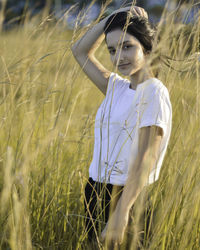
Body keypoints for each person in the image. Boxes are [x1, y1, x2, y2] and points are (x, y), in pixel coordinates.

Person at [71, 5, 172, 248]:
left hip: (126, 196)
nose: (119, 58)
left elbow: (146, 158)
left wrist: (121, 212)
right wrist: (114, 15)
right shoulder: (116, 87)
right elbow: (79, 51)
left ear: (147, 47)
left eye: (127, 46)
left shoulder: (154, 91)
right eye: (112, 50)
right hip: (96, 190)